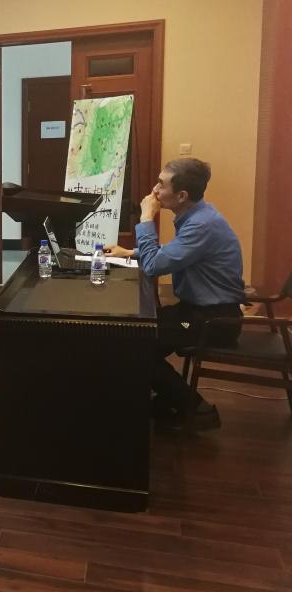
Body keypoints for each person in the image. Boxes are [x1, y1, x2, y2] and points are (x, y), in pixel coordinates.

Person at [105, 158, 244, 431]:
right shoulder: (199, 216)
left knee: (136, 344)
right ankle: (170, 400)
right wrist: (130, 252)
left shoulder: (202, 225)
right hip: (197, 312)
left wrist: (146, 218)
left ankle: (197, 410)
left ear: (181, 196)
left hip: (213, 321)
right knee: (134, 337)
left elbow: (154, 266)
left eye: (161, 184)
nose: (155, 190)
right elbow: (176, 253)